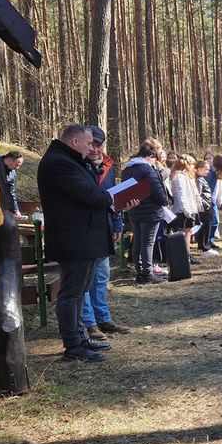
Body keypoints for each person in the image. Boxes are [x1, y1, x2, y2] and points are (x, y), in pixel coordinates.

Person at [37, 125, 123, 362]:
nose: (91, 148)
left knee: (79, 290)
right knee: (71, 293)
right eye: (88, 144)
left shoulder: (71, 160)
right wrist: (116, 199)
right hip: (74, 238)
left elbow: (91, 190)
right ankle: (73, 344)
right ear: (75, 142)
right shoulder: (60, 163)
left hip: (83, 238)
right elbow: (90, 194)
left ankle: (81, 336)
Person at [81, 126, 131, 341]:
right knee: (84, 279)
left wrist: (117, 224)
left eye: (98, 145)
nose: (94, 149)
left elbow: (114, 198)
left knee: (101, 277)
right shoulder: (76, 165)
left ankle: (103, 318)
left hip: (105, 227)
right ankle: (89, 323)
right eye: (90, 144)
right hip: (82, 230)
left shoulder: (109, 166)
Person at [122, 143, 171, 284]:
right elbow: (157, 191)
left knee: (137, 241)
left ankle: (140, 272)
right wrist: (165, 200)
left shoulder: (128, 169)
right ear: (150, 156)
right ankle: (147, 274)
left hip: (134, 210)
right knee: (148, 242)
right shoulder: (147, 169)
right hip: (150, 212)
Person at [170, 154, 200, 249]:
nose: (193, 167)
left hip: (188, 209)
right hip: (183, 210)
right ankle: (185, 255)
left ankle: (187, 254)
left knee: (189, 232)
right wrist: (186, 210)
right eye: (192, 164)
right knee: (185, 234)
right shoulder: (180, 177)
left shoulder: (186, 176)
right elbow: (181, 194)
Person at [195, 160, 218, 257]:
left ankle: (204, 246)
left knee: (207, 227)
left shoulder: (201, 178)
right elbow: (198, 195)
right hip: (204, 208)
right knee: (205, 227)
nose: (208, 171)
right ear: (199, 169)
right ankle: (205, 247)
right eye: (206, 169)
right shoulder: (198, 180)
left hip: (206, 207)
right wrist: (205, 205)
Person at [0, 151, 24, 221]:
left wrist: (15, 210)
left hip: (1, 204)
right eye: (17, 165)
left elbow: (11, 191)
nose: (17, 168)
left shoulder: (12, 171)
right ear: (9, 160)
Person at [211, 154, 222, 245]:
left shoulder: (220, 174)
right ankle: (209, 241)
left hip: (214, 201)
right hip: (210, 201)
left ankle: (211, 240)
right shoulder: (211, 173)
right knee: (213, 222)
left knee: (215, 222)